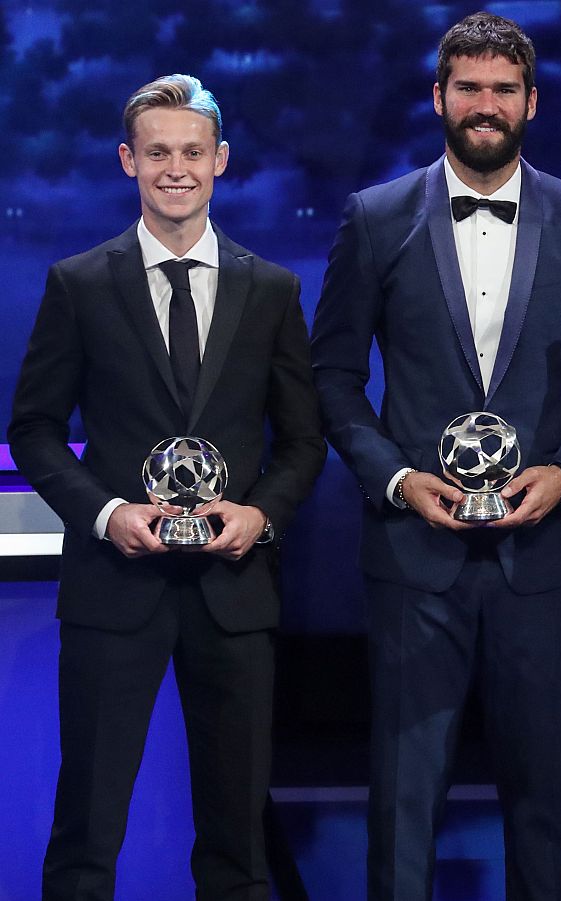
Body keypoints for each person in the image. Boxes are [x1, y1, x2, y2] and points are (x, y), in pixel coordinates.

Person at [308, 12, 561, 900]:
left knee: (544, 795)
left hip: (546, 554)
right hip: (415, 557)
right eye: (469, 88)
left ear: (531, 102)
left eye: (502, 90)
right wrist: (396, 477)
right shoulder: (374, 218)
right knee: (404, 798)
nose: (485, 106)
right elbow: (333, 377)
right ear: (439, 97)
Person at [8, 74, 325, 900]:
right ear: (128, 160)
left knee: (236, 837)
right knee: (86, 831)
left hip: (234, 589)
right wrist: (106, 513)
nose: (174, 168)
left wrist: (261, 512)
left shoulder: (272, 289)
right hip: (116, 588)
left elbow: (302, 438)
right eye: (157, 153)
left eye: (191, 152)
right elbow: (33, 428)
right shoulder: (78, 284)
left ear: (220, 160)